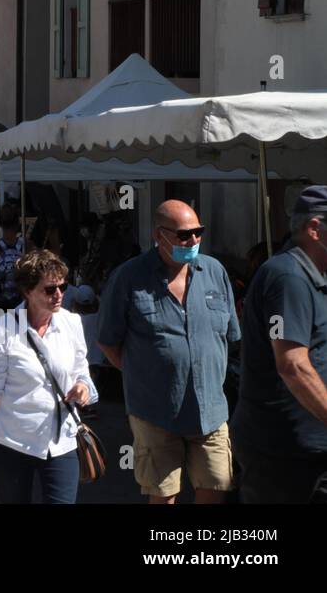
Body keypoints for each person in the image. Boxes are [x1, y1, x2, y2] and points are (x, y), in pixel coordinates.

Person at [98, 200, 240, 504]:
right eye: (184, 235)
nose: (193, 241)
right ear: (158, 235)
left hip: (211, 410)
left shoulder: (215, 272)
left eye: (198, 233)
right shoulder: (129, 278)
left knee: (216, 490)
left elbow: (231, 335)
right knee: (164, 496)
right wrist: (142, 373)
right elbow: (107, 340)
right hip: (155, 413)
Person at [0, 250, 96, 504]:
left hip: (62, 441)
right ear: (27, 291)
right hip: (12, 442)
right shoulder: (2, 329)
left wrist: (82, 386)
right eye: (49, 289)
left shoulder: (71, 323)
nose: (59, 295)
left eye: (63, 286)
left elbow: (83, 371)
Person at [233, 186, 327, 503]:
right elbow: (293, 365)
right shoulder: (288, 278)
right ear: (314, 229)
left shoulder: (313, 276)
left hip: (307, 447)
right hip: (285, 453)